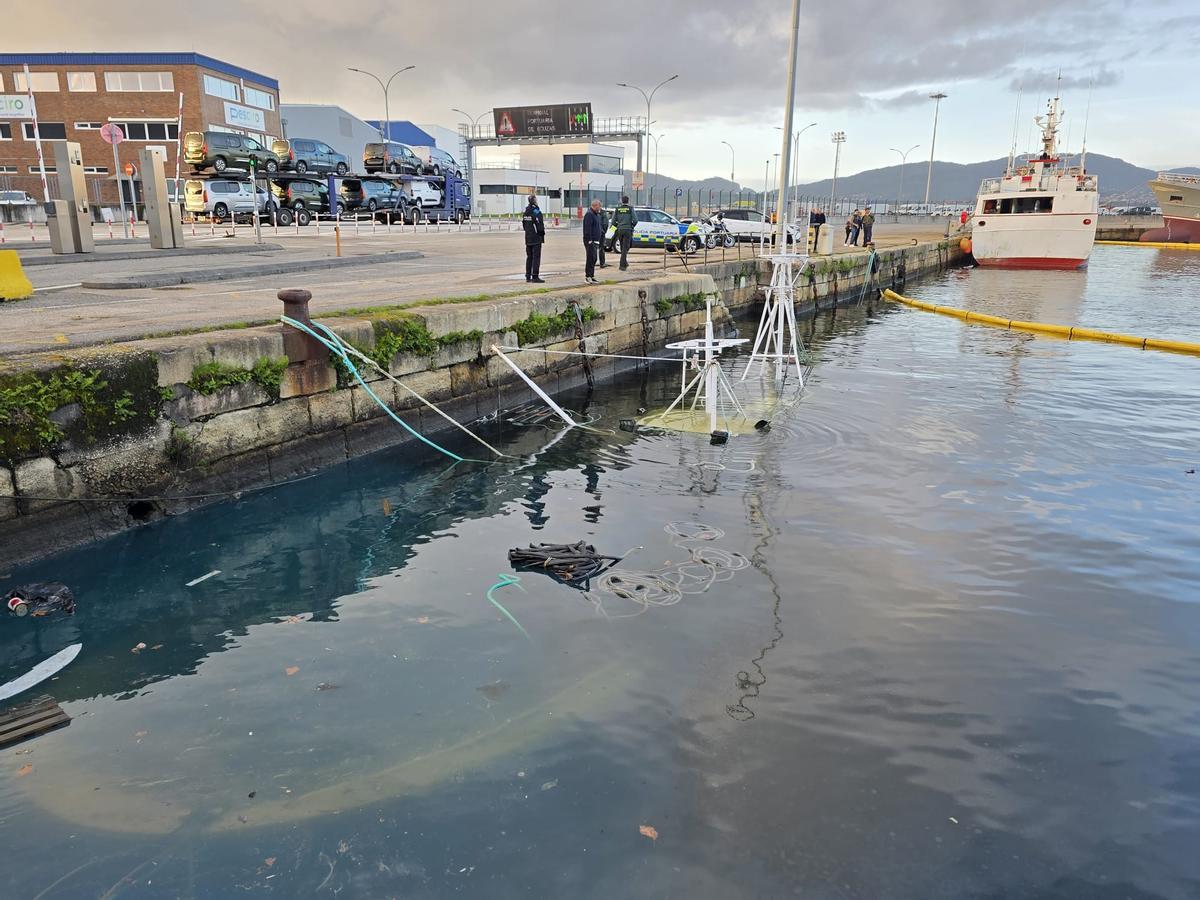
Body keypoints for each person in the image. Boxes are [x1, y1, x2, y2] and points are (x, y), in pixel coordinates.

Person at [521, 193, 545, 283]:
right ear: (534, 201)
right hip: (536, 238)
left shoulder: (526, 212)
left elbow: (524, 224)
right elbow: (540, 225)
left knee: (529, 257)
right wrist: (541, 235)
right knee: (536, 257)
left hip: (528, 238)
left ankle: (528, 276)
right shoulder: (536, 211)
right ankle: (535, 276)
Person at [583, 199, 604, 283]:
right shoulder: (589, 214)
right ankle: (588, 276)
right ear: (595, 205)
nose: (600, 208)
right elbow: (587, 229)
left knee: (594, 258)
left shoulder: (596, 215)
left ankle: (592, 275)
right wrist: (590, 240)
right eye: (599, 206)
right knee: (590, 258)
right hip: (590, 241)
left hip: (596, 241)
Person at [612, 195, 635, 270]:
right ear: (628, 201)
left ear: (622, 201)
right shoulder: (630, 209)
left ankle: (625, 262)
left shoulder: (617, 209)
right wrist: (631, 226)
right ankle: (622, 265)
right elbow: (635, 220)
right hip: (628, 230)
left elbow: (613, 221)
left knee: (622, 247)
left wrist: (617, 226)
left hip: (620, 230)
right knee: (626, 247)